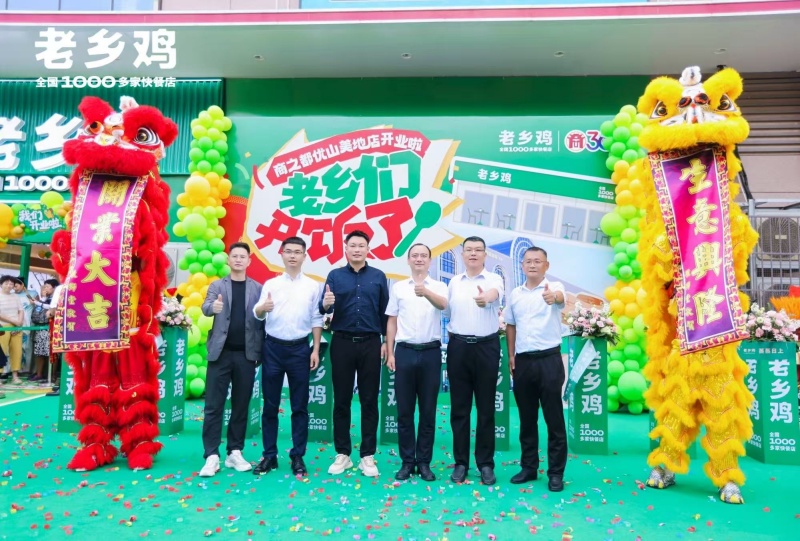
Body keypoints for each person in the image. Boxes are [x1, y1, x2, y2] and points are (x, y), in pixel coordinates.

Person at [320, 230, 389, 477]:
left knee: (369, 400)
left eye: (361, 245)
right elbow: (323, 307)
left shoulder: (378, 276)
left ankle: (367, 455)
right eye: (353, 245)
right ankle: (343, 454)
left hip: (371, 343)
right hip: (342, 342)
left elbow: (385, 312)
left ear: (368, 249)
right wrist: (326, 304)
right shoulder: (335, 276)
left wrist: (385, 341)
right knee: (341, 399)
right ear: (346, 248)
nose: (357, 249)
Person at [252, 237, 323, 477]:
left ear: (305, 256)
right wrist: (263, 308)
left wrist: (315, 349)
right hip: (272, 348)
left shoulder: (313, 286)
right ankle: (269, 455)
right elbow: (258, 313)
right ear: (281, 254)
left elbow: (317, 318)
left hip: (300, 349)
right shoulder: (271, 284)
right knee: (270, 405)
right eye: (289, 251)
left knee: (299, 406)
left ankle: (298, 456)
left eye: (297, 252)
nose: (293, 256)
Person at [504, 247, 567, 492]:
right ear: (522, 265)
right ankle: (529, 467)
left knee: (554, 419)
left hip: (549, 360)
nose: (532, 265)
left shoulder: (554, 287)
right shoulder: (515, 294)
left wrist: (554, 297)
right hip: (523, 362)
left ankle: (555, 473)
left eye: (537, 261)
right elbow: (510, 325)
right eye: (528, 261)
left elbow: (560, 298)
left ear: (546, 265)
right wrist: (511, 355)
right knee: (527, 419)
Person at [199, 242, 263, 477]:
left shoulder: (257, 288)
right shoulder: (217, 285)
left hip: (246, 355)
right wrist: (212, 307)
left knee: (241, 404)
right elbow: (205, 307)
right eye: (234, 256)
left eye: (242, 256)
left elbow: (262, 320)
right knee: (213, 405)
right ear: (228, 260)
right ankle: (211, 455)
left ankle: (234, 451)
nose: (238, 260)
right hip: (220, 354)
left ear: (249, 261)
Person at [385, 243, 448, 481]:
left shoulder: (439, 286)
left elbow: (444, 306)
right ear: (408, 260)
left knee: (428, 411)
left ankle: (423, 463)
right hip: (404, 351)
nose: (419, 259)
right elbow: (392, 320)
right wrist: (391, 352)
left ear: (430, 261)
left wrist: (426, 292)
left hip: (431, 352)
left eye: (423, 255)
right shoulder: (399, 287)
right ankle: (407, 461)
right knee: (404, 411)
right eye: (415, 255)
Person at [445, 236, 504, 485]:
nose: (473, 253)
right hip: (459, 346)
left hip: (486, 347)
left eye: (478, 250)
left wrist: (485, 298)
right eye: (468, 249)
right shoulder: (454, 282)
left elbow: (493, 294)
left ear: (484, 255)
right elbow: (448, 312)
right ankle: (461, 463)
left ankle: (485, 464)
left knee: (486, 408)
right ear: (462, 254)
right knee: (459, 408)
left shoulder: (494, 279)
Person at [31, 279, 59, 382]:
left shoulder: (57, 298)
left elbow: (52, 308)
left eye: (48, 286)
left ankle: (53, 375)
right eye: (45, 286)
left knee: (53, 352)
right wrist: (42, 299)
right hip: (41, 328)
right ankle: (39, 374)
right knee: (40, 352)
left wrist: (38, 303)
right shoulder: (45, 298)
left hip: (52, 328)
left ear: (54, 288)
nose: (45, 288)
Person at [0, 275, 24, 385]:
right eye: (6, 283)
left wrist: (19, 323)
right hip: (3, 327)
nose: (9, 285)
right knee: (1, 351)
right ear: (1, 284)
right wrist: (14, 321)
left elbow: (21, 310)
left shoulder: (15, 296)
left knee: (17, 351)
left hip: (17, 327)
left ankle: (15, 376)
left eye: (11, 284)